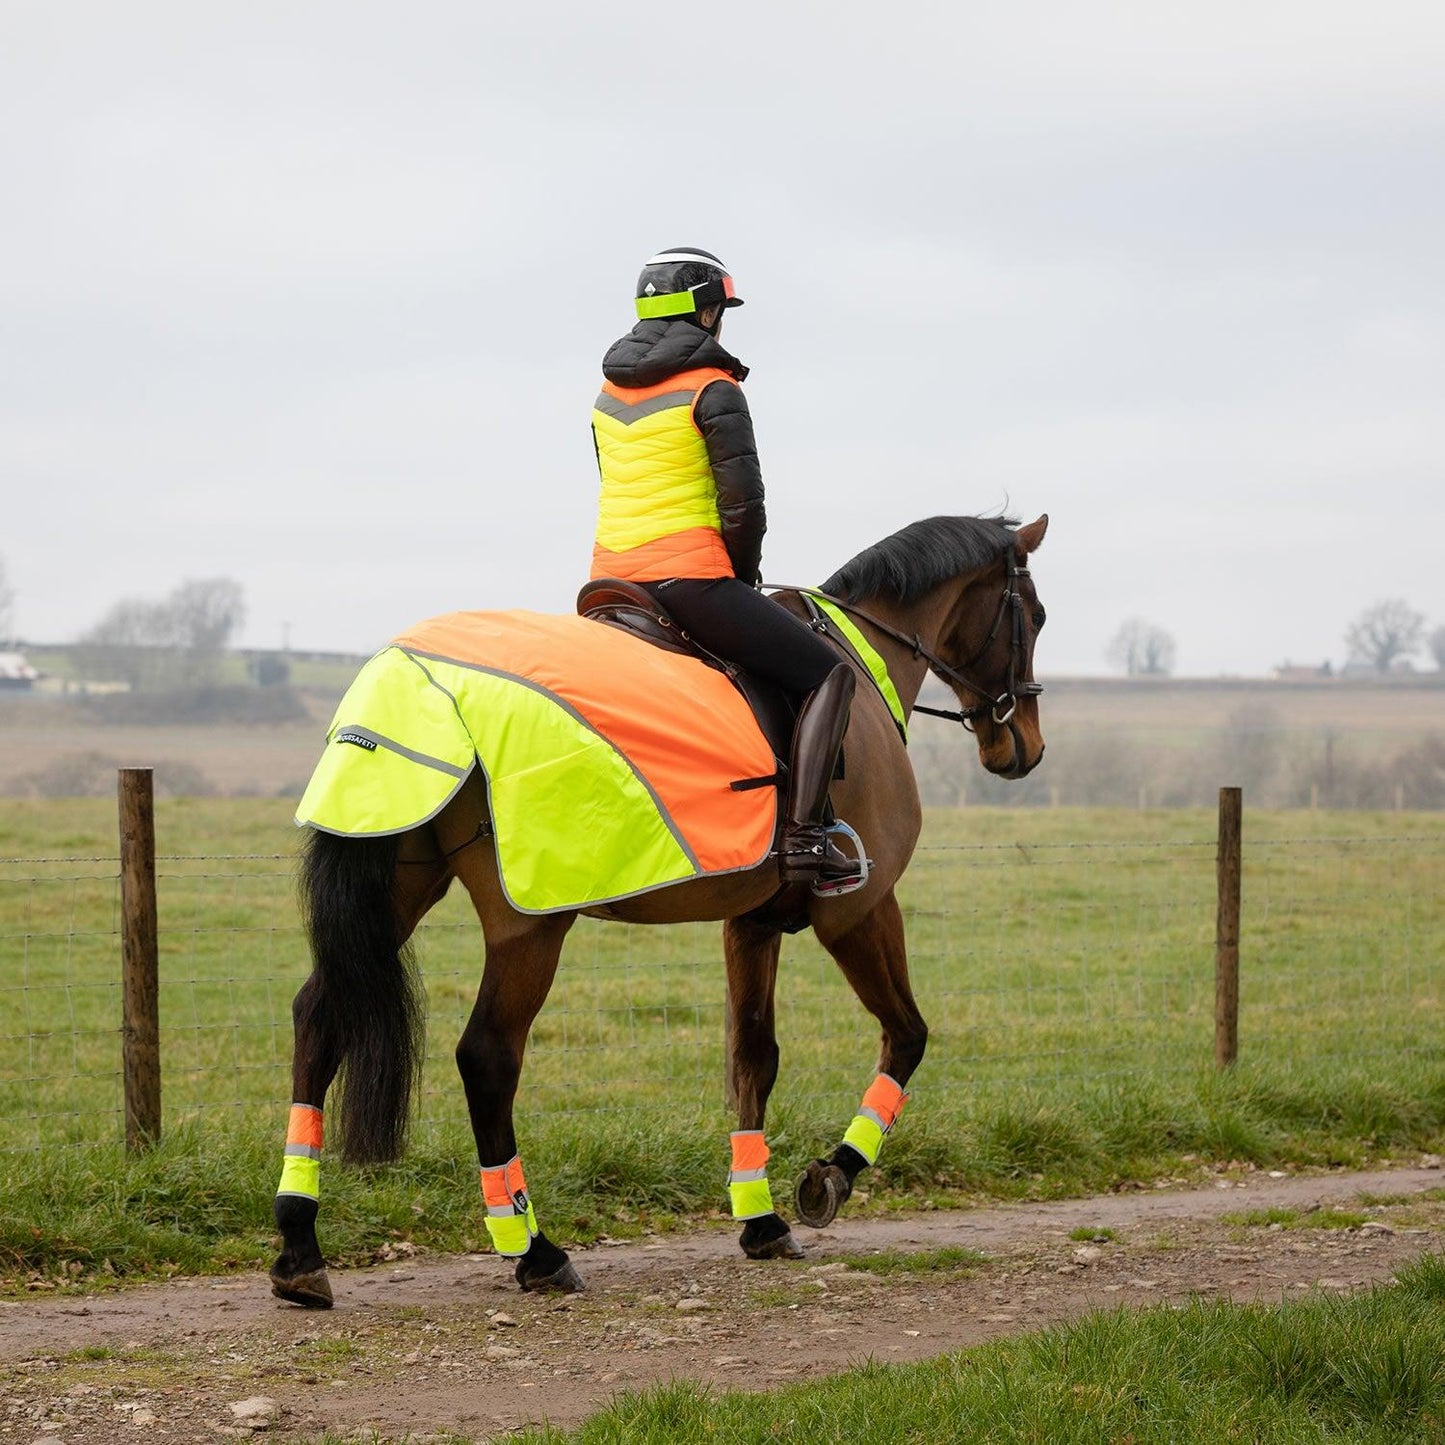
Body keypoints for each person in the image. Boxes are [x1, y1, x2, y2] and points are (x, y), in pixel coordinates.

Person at [589, 245, 866, 894]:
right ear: (704, 312)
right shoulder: (715, 387)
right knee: (829, 672)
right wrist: (742, 579)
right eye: (719, 308)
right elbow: (742, 504)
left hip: (608, 582)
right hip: (690, 580)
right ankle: (807, 842)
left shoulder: (606, 394)